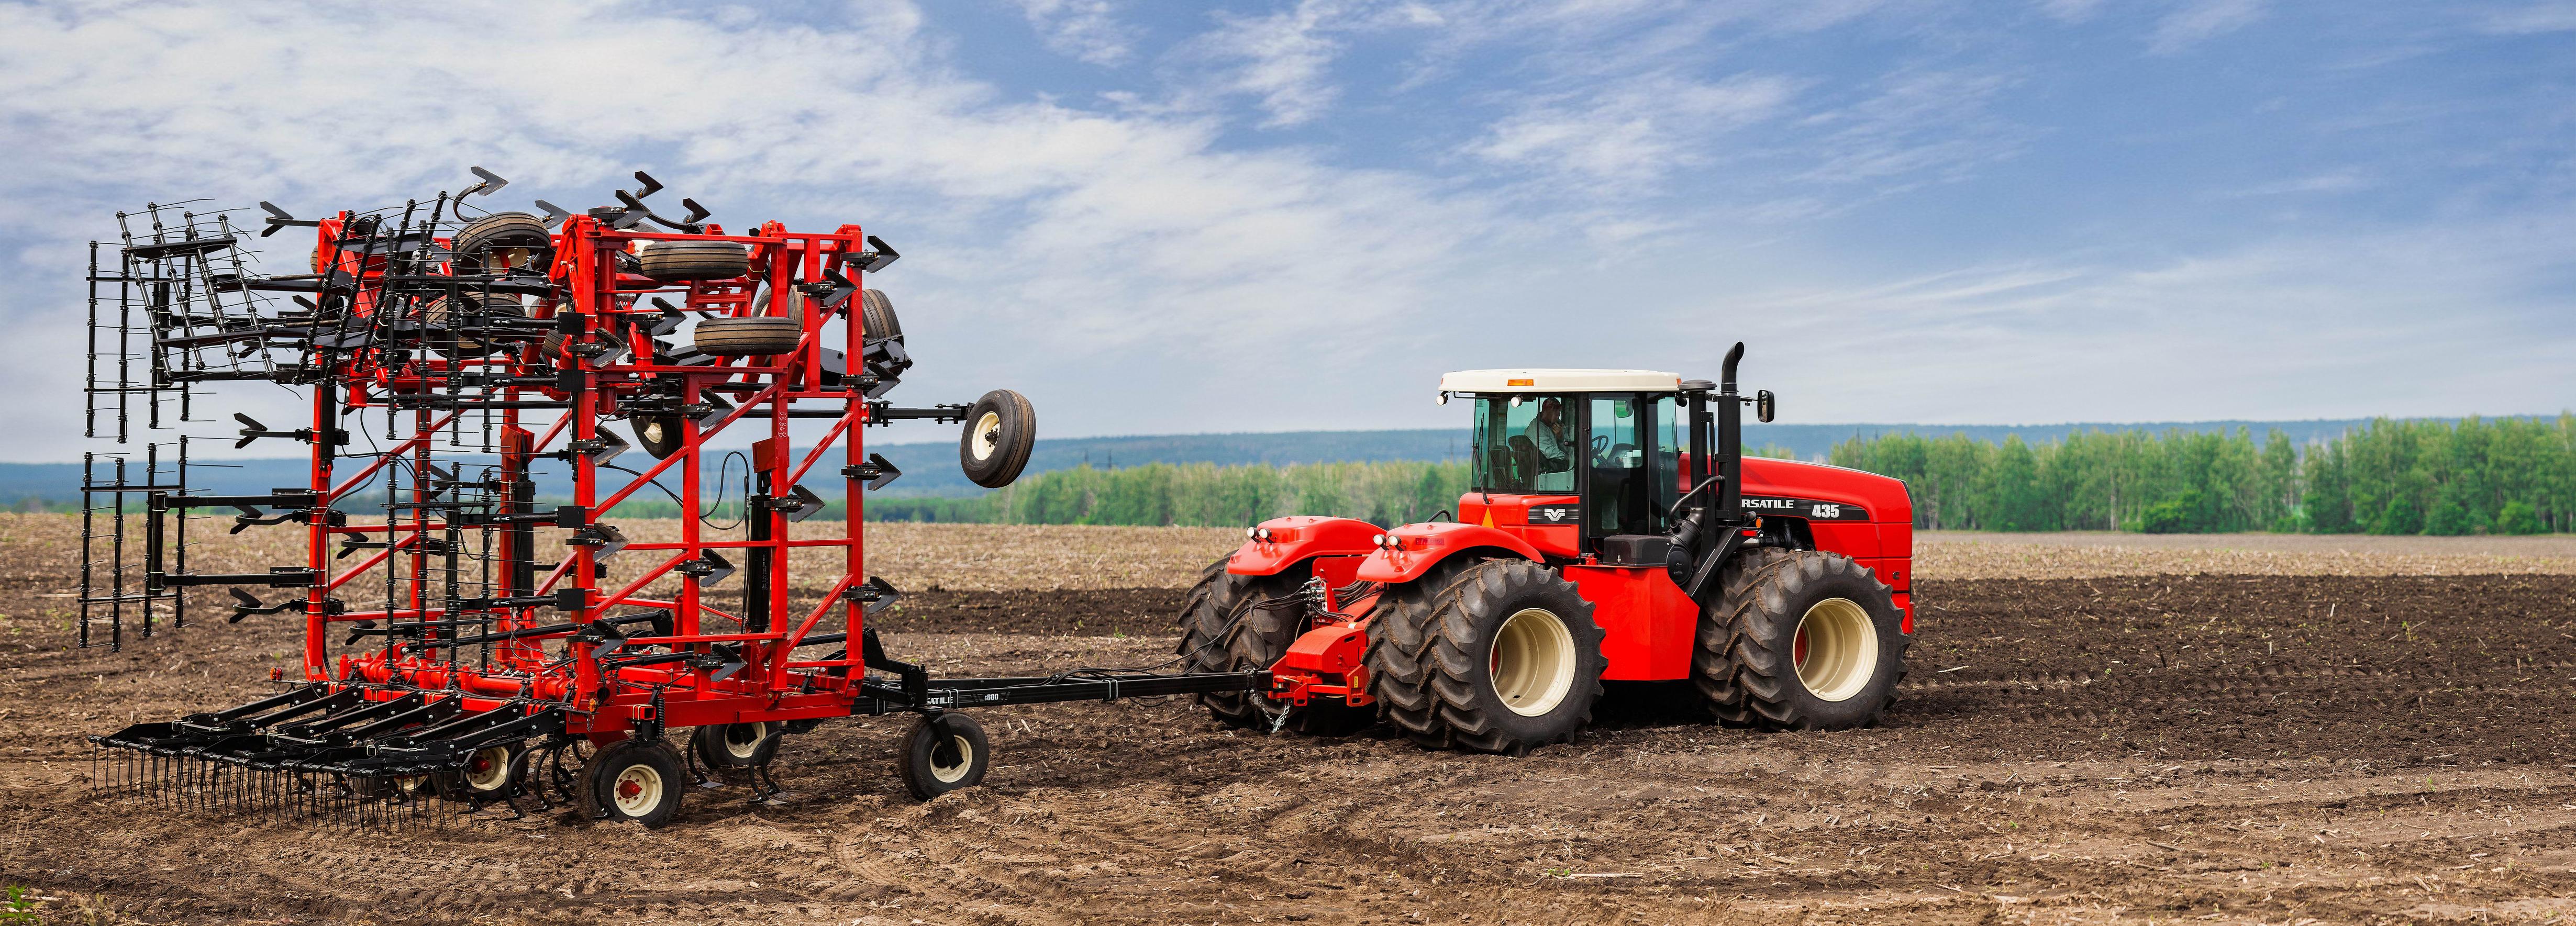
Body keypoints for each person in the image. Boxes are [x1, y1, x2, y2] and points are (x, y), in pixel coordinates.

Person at [1526, 398, 1571, 474]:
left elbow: (1569, 449)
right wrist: (1569, 459)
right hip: (1545, 470)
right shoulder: (1536, 428)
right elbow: (1550, 452)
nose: (1558, 416)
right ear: (1545, 412)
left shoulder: (1559, 425)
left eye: (1559, 413)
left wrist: (1561, 438)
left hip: (1560, 468)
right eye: (1555, 413)